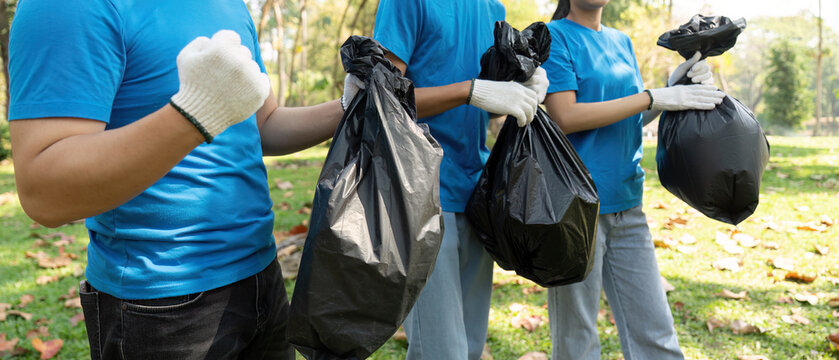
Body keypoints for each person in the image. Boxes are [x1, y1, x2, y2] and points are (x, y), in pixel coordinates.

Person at [8, 1, 353, 358]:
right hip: (159, 304)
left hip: (261, 274)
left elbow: (262, 125)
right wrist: (195, 111)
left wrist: (350, 104)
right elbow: (43, 193)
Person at [364, 0, 549, 359]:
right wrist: (471, 90)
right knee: (440, 350)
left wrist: (521, 86)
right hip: (421, 193)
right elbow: (383, 95)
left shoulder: (492, 8)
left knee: (469, 345)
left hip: (476, 195)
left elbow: (487, 100)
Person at [540, 1, 725, 359]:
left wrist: (674, 88)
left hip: (628, 203)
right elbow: (564, 116)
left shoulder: (620, 41)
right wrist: (653, 96)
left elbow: (630, 115)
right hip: (577, 209)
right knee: (577, 342)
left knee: (656, 333)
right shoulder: (554, 36)